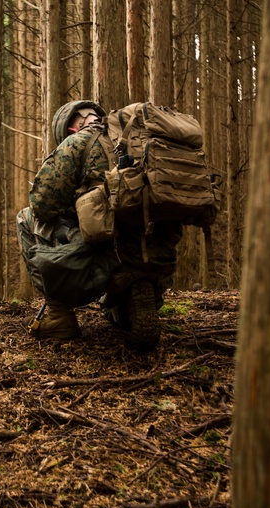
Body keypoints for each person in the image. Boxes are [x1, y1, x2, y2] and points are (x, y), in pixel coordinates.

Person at [17, 100, 182, 346]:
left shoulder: (78, 141)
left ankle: (59, 315)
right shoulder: (142, 142)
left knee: (26, 217)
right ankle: (130, 299)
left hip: (105, 255)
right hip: (159, 257)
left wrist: (75, 208)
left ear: (69, 127)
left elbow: (43, 204)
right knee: (118, 312)